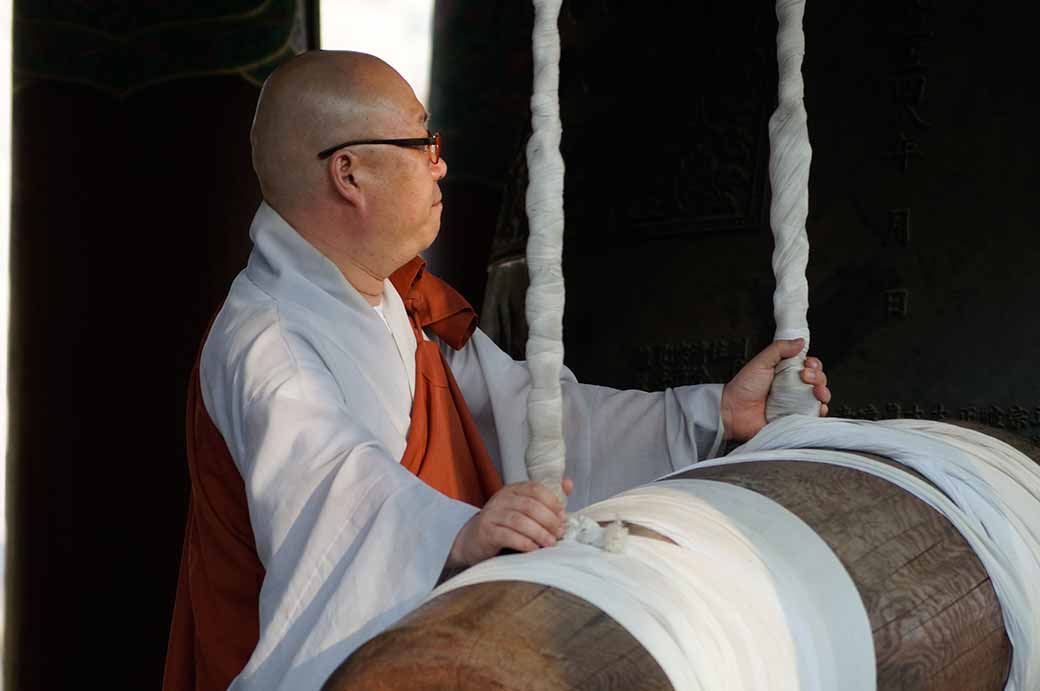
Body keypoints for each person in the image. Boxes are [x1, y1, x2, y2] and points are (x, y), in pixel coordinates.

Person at [163, 50, 831, 691]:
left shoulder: (405, 302)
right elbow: (335, 492)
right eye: (422, 144)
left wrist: (713, 413)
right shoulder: (268, 339)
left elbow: (534, 415)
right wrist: (449, 531)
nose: (442, 164)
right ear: (349, 173)